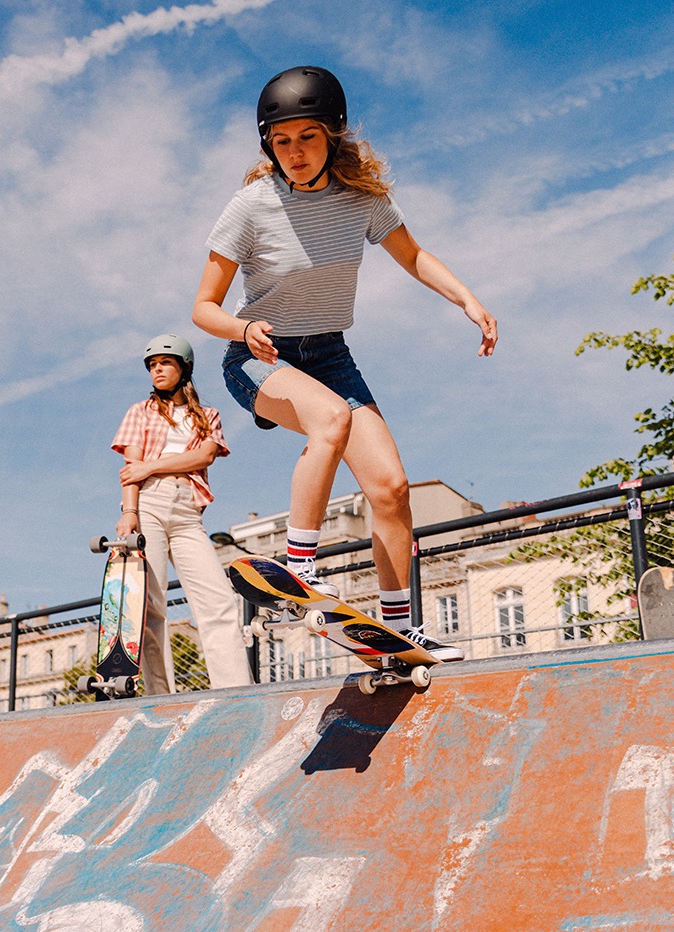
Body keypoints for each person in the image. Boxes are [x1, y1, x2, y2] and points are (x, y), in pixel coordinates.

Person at [191, 65, 497, 662]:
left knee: (391, 488)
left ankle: (399, 626)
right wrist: (245, 326)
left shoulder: (363, 200)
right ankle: (297, 564)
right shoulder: (250, 207)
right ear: (267, 147)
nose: (294, 152)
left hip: (329, 353)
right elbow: (203, 308)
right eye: (281, 142)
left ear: (332, 135)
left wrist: (469, 299)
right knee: (330, 419)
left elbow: (413, 257)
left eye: (306, 137)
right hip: (260, 355)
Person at [111, 333, 253, 695]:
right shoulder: (138, 412)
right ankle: (161, 696)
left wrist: (151, 465)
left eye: (165, 363)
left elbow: (204, 456)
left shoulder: (208, 416)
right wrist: (129, 512)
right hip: (149, 506)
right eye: (152, 365)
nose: (157, 371)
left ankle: (235, 689)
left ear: (184, 368)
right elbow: (130, 470)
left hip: (188, 512)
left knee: (218, 600)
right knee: (152, 604)